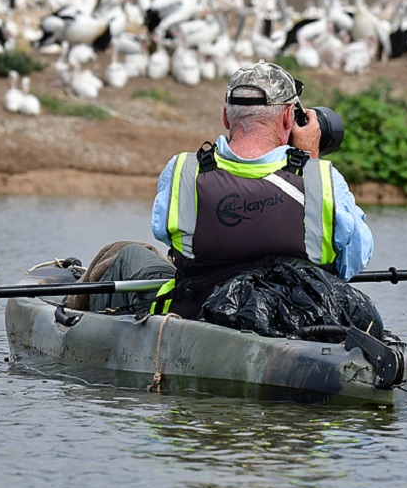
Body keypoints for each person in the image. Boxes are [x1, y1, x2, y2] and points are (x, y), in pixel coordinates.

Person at [67, 60, 373, 318]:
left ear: (226, 116)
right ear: (287, 118)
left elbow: (169, 238)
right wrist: (309, 162)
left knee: (128, 255)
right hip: (297, 318)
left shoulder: (183, 170)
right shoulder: (322, 178)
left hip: (195, 313)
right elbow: (351, 263)